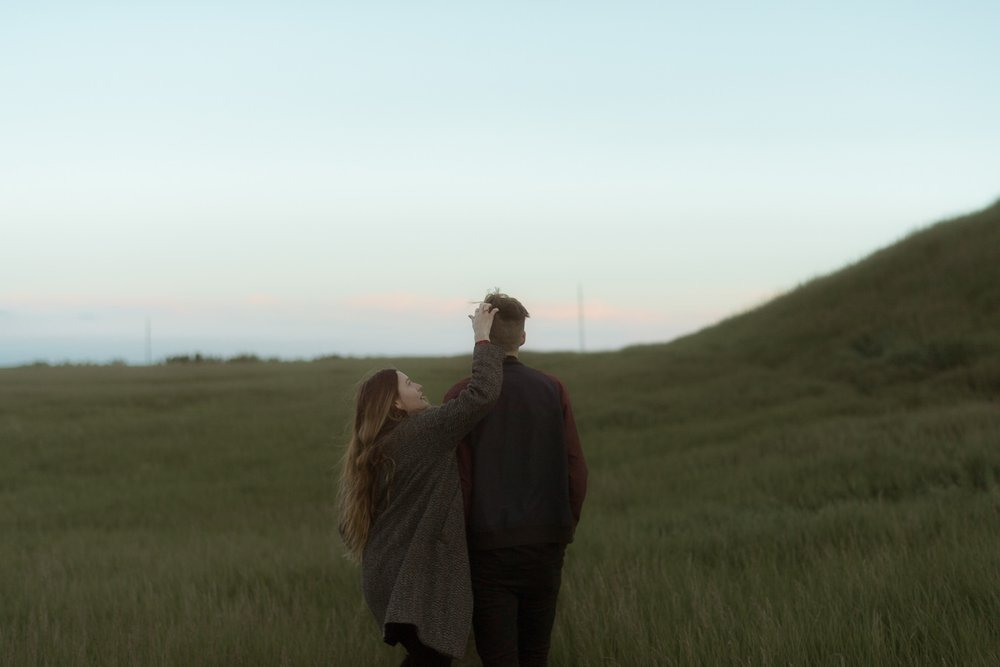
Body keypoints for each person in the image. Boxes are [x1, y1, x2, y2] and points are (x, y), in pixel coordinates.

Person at [338, 302, 505, 666]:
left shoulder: (375, 449)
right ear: (395, 404)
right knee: (431, 659)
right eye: (410, 384)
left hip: (386, 580)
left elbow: (345, 528)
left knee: (429, 658)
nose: (419, 385)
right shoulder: (423, 433)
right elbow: (482, 394)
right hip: (414, 586)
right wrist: (482, 338)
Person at [443, 290, 588, 667]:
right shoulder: (553, 389)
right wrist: (562, 528)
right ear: (523, 337)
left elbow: (458, 478)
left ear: (481, 336)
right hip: (546, 543)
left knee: (499, 658)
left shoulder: (462, 395)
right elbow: (576, 468)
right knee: (535, 655)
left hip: (487, 548)